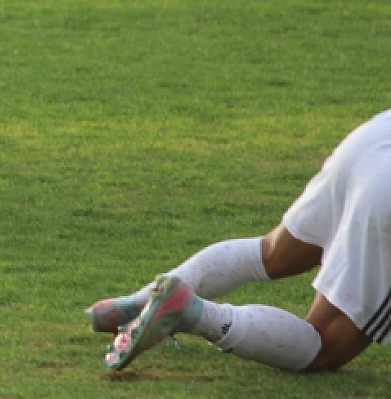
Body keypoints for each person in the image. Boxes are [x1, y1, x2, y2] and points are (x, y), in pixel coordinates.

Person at [96, 109, 391, 372]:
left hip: (370, 141)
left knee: (271, 253)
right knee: (325, 345)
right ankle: (191, 313)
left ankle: (134, 304)